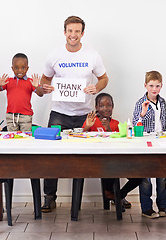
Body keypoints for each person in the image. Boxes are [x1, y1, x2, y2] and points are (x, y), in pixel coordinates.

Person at [40, 16, 109, 212]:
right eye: (70, 31)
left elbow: (104, 78)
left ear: (82, 33)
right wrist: (46, 87)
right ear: (64, 32)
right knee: (51, 156)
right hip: (59, 113)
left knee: (84, 157)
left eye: (77, 31)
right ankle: (49, 198)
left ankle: (82, 199)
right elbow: (45, 79)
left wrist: (96, 87)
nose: (73, 35)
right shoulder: (54, 55)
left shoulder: (92, 55)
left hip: (85, 115)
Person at [83, 93, 143, 209]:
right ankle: (110, 193)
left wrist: (109, 130)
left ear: (113, 106)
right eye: (102, 106)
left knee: (139, 177)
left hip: (116, 160)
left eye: (109, 105)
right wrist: (87, 127)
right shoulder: (91, 120)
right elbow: (81, 136)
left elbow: (119, 141)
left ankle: (119, 194)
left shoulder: (116, 124)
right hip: (97, 160)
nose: (106, 108)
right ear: (96, 107)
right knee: (108, 165)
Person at [132, 70, 166, 218]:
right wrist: (143, 113)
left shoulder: (162, 102)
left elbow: (164, 118)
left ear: (161, 86)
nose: (154, 89)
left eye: (157, 86)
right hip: (145, 141)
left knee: (162, 177)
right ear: (145, 86)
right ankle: (146, 208)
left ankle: (162, 206)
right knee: (146, 178)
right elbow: (136, 124)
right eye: (151, 85)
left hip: (160, 140)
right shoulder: (140, 103)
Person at [0, 53, 44, 132]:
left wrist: (37, 86)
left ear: (27, 69)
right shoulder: (8, 81)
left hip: (26, 116)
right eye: (16, 68)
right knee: (12, 138)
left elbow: (41, 94)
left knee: (25, 137)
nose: (20, 70)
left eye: (23, 68)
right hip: (11, 116)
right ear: (12, 68)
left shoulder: (31, 82)